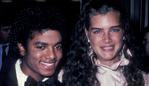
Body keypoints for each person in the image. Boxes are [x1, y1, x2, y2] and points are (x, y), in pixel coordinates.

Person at [63, 0, 149, 86]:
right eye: (97, 31)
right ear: (87, 34)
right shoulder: (66, 77)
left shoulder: (144, 79)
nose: (107, 39)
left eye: (114, 30)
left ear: (123, 32)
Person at [0, 5, 67, 86]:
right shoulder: (3, 79)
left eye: (58, 47)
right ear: (22, 48)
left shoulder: (67, 80)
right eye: (41, 47)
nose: (52, 55)